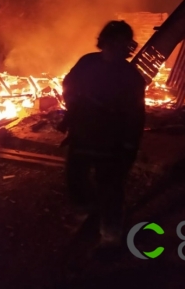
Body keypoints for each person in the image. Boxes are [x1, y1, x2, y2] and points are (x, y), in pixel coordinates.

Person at [61, 20, 146, 246]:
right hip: (83, 132)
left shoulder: (132, 77)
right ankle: (83, 209)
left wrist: (129, 146)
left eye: (122, 42)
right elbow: (69, 82)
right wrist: (72, 103)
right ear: (105, 41)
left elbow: (135, 115)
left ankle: (110, 234)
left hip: (112, 141)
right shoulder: (87, 62)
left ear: (128, 46)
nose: (117, 47)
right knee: (75, 177)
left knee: (110, 188)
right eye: (113, 41)